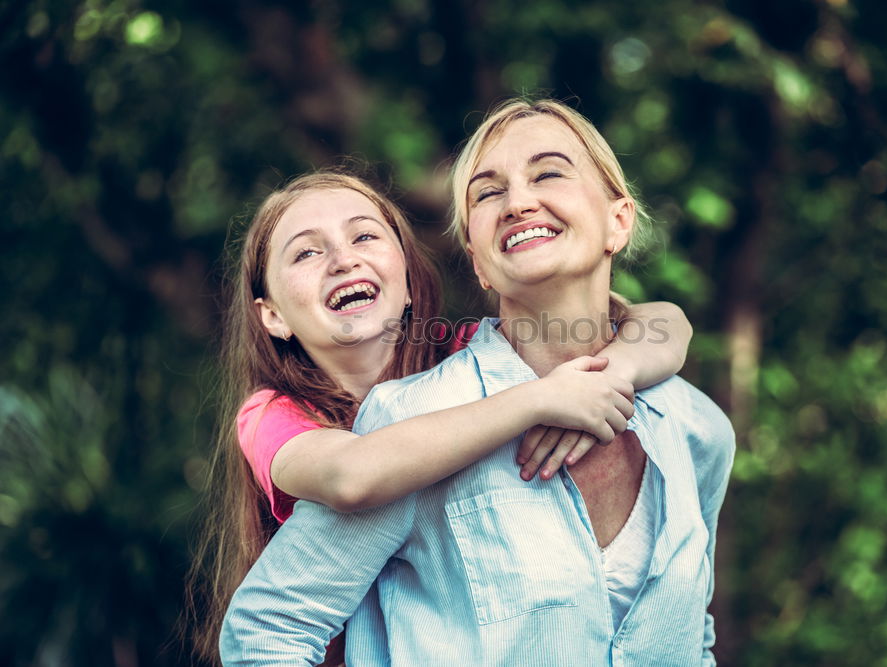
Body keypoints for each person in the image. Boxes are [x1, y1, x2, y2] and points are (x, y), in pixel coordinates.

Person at [219, 99, 735, 664]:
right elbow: (270, 626)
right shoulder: (388, 424)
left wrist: (612, 377)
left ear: (619, 219)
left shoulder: (699, 428)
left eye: (549, 172)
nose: (518, 201)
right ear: (479, 262)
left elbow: (693, 637)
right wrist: (546, 398)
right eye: (489, 192)